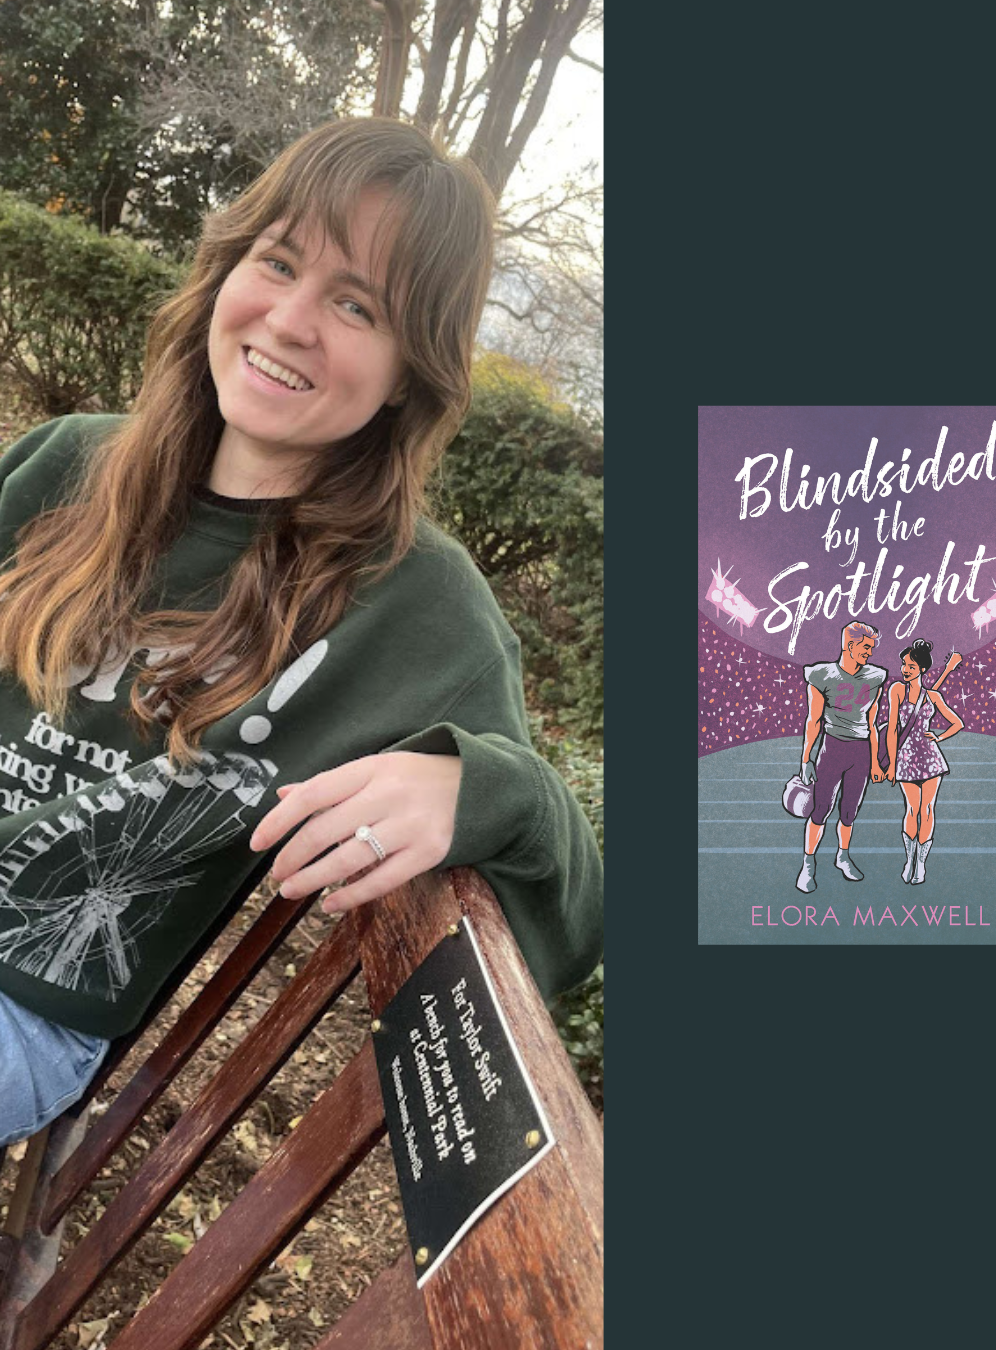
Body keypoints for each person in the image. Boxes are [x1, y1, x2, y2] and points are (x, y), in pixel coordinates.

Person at [0, 118, 602, 1148]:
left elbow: (581, 916)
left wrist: (492, 789)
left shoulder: (417, 609)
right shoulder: (66, 465)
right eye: (277, 262)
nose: (287, 320)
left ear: (413, 369)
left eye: (356, 305)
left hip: (28, 1009)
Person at [795, 621, 887, 893]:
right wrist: (806, 759)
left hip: (860, 751)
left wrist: (874, 762)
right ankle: (808, 864)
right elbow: (813, 720)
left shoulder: (875, 677)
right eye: (866, 647)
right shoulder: (822, 674)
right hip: (833, 746)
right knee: (820, 809)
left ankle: (842, 856)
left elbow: (872, 723)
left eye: (871, 648)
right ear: (849, 645)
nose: (870, 653)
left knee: (849, 811)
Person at [885, 639, 963, 883]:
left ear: (921, 668)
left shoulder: (934, 696)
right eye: (903, 664)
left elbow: (957, 723)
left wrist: (939, 736)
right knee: (912, 808)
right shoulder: (897, 689)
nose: (904, 668)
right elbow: (891, 729)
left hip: (930, 759)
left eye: (909, 665)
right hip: (906, 758)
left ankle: (921, 863)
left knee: (928, 809)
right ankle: (909, 858)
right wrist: (891, 763)